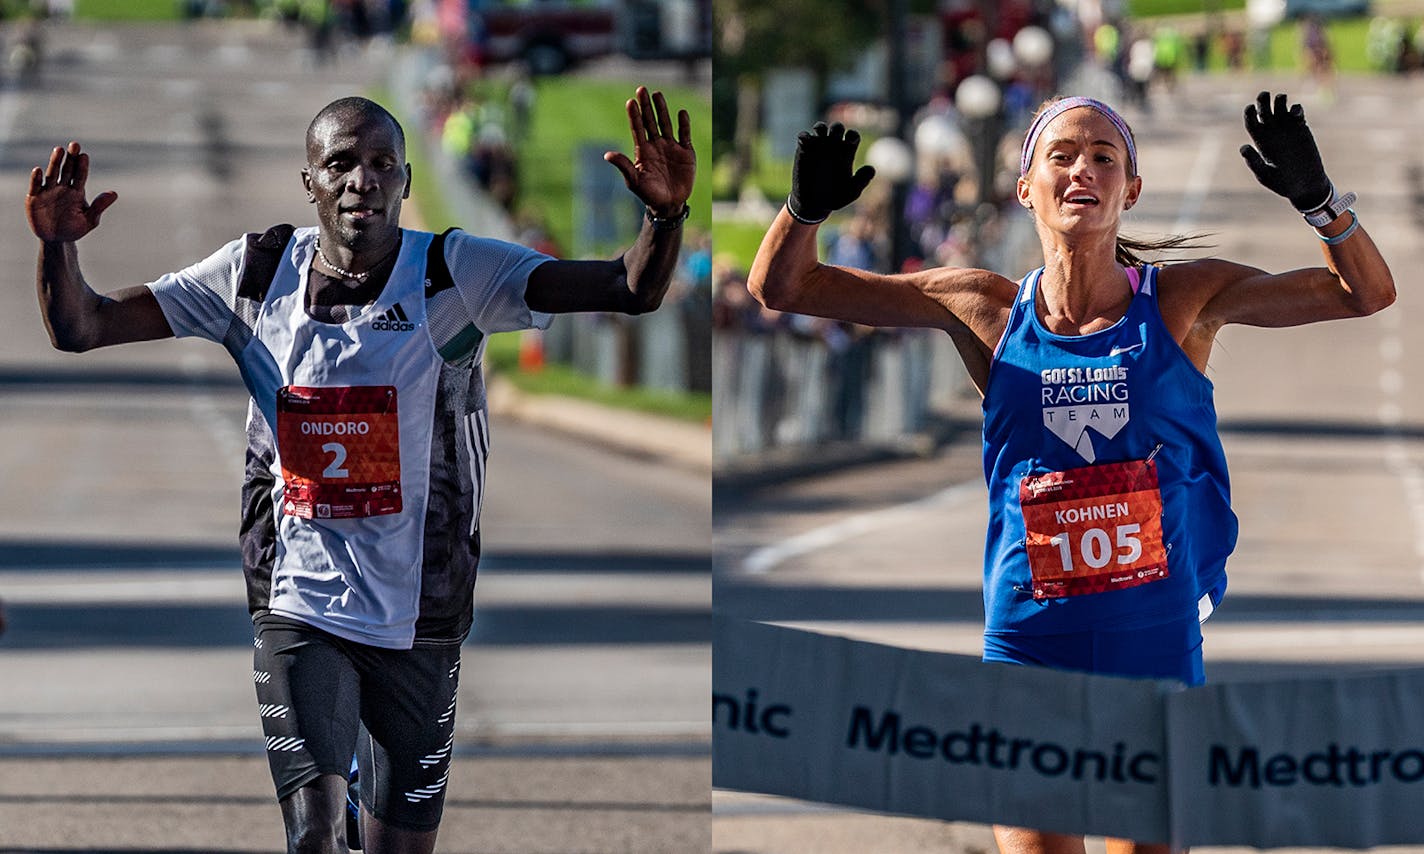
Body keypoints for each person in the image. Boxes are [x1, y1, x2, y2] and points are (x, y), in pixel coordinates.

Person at [26, 87, 694, 854]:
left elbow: (628, 288)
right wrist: (57, 246)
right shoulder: (253, 274)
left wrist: (665, 217)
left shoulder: (456, 273)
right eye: (339, 164)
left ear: (408, 180)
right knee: (312, 836)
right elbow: (84, 325)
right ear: (308, 182)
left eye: (382, 164)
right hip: (297, 599)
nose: (361, 181)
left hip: (423, 614)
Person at [748, 92, 1393, 854]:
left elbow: (1365, 293)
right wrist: (801, 210)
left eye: (1103, 158)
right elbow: (784, 288)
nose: (1082, 169)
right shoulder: (983, 307)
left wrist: (1321, 204)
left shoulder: (1184, 300)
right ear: (1026, 188)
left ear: (1131, 190)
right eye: (1061, 156)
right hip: (1028, 643)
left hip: (1151, 644)